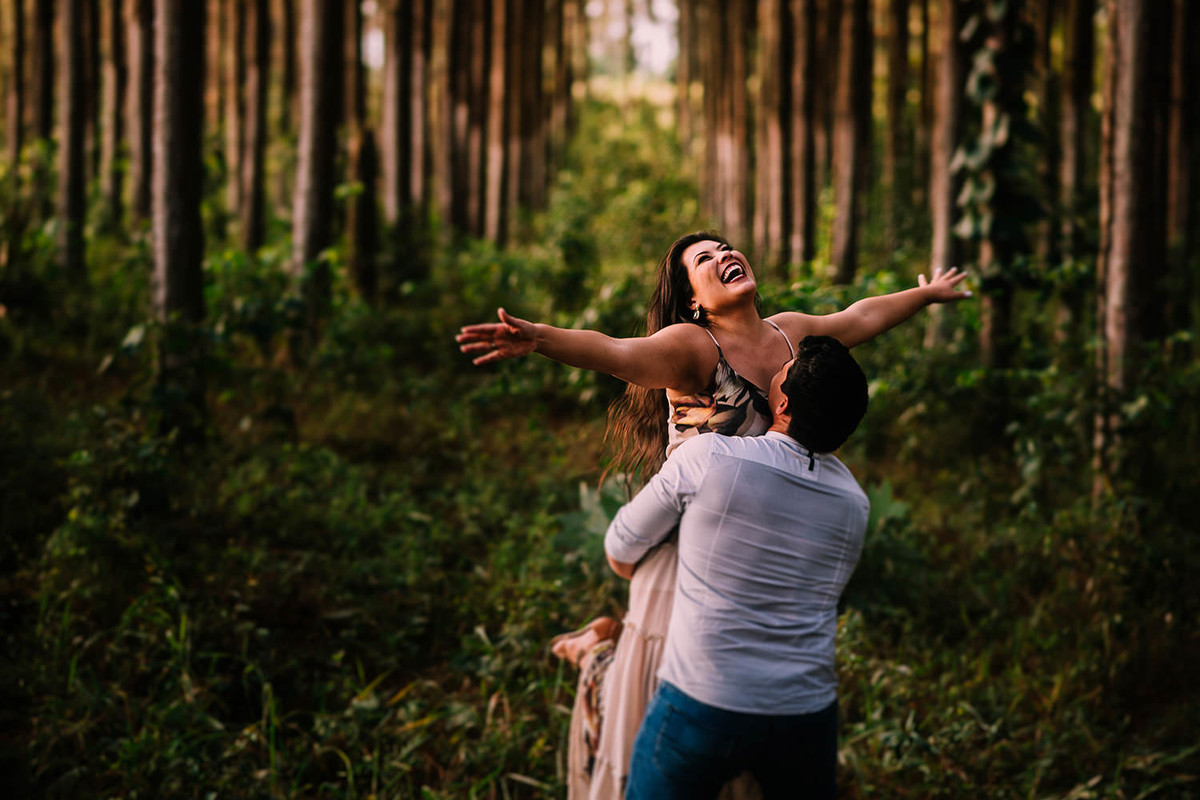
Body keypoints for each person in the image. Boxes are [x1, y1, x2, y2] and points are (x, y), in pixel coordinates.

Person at [457, 232, 968, 797]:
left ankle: (606, 647)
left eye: (726, 248)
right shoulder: (692, 346)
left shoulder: (790, 332)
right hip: (687, 546)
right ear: (693, 299)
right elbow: (615, 352)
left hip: (761, 545)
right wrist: (539, 338)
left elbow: (859, 317)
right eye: (705, 258)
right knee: (664, 690)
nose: (724, 255)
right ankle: (599, 654)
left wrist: (925, 295)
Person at [606, 335, 870, 799]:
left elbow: (621, 544)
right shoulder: (854, 501)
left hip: (703, 700)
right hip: (804, 713)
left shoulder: (711, 457)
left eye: (781, 372)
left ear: (781, 404)